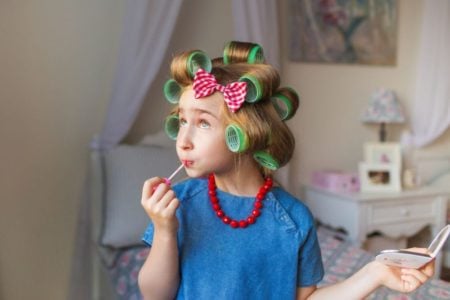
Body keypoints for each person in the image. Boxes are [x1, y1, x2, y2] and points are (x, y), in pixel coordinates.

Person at [138, 41, 434, 300]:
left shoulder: (294, 220)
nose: (183, 141)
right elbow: (154, 295)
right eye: (182, 121)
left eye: (203, 123)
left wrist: (375, 273)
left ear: (246, 130)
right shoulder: (179, 205)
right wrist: (164, 230)